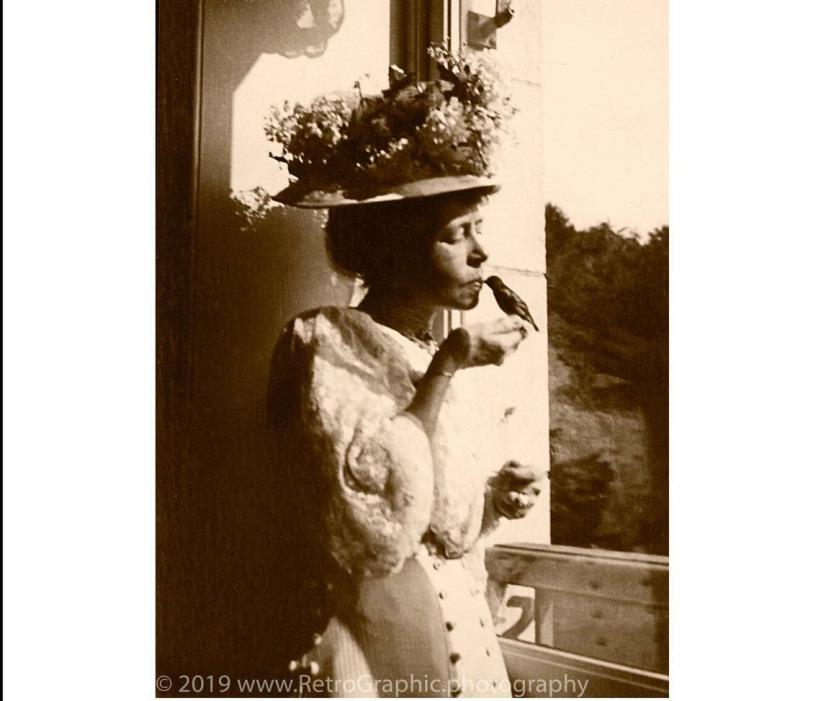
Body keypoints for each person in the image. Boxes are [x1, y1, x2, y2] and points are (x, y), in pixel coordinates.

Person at [266, 46, 544, 698]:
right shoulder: (320, 341)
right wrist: (447, 366)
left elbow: (445, 527)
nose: (481, 253)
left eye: (480, 229)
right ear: (393, 251)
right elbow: (371, 521)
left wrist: (497, 497)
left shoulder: (444, 354)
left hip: (466, 650)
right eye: (457, 234)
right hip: (368, 645)